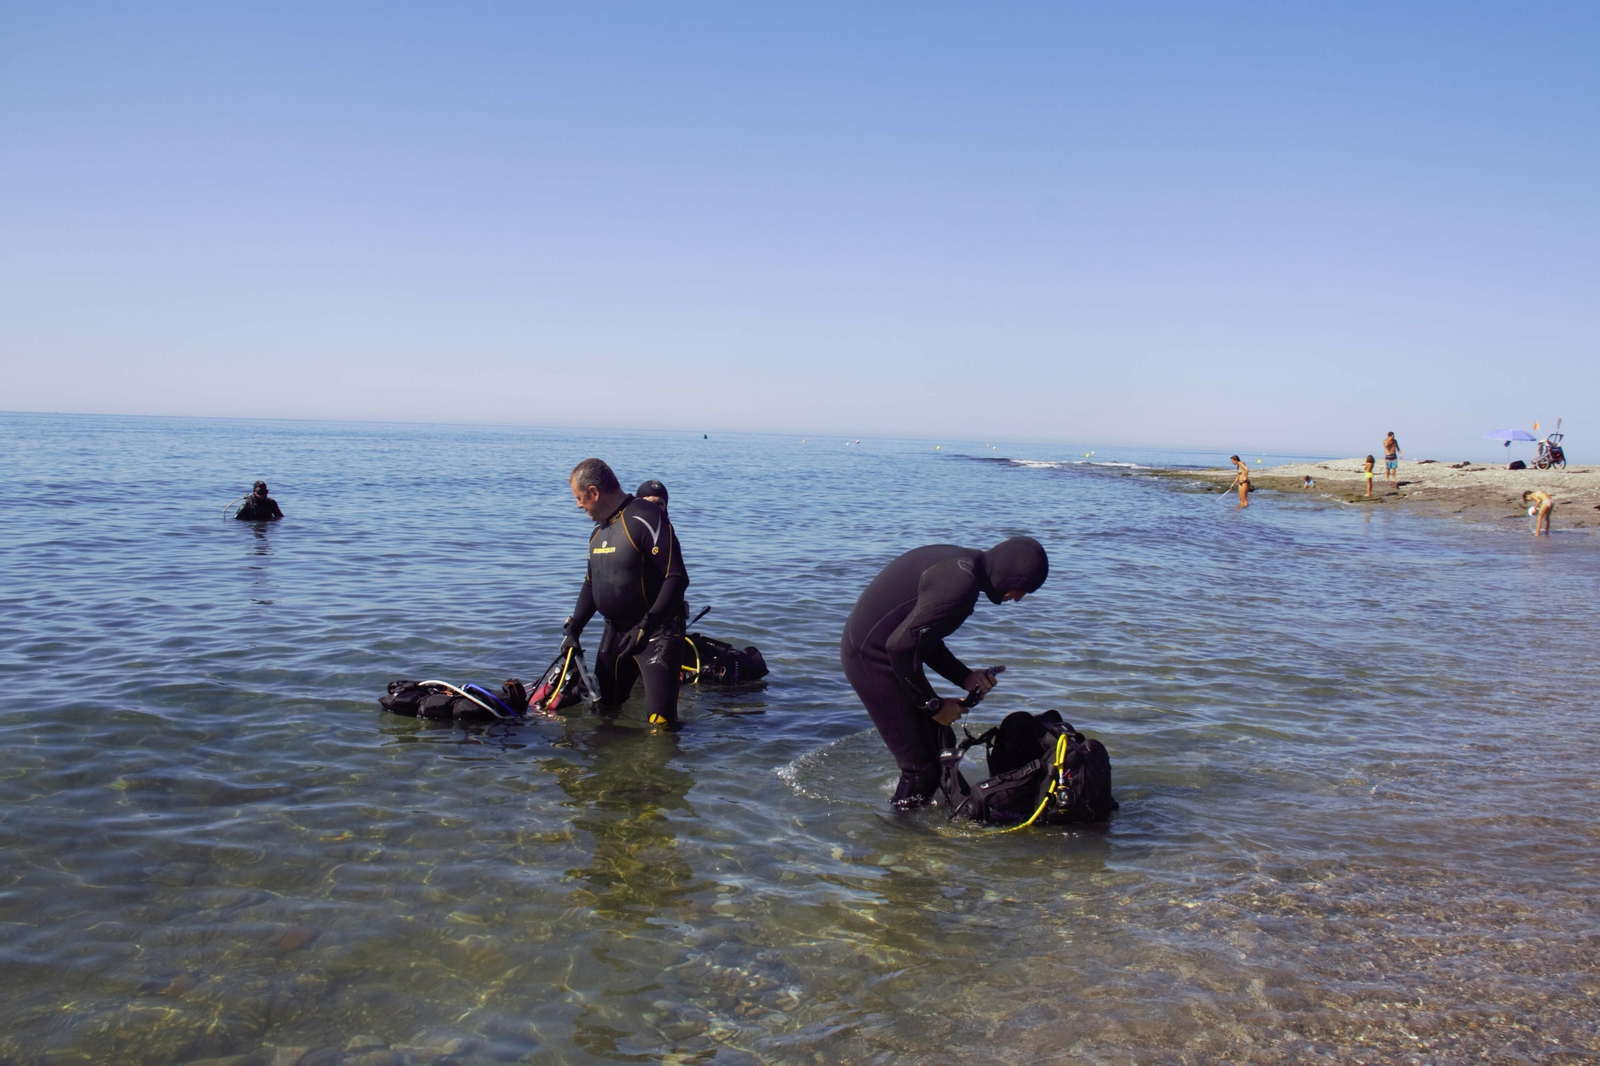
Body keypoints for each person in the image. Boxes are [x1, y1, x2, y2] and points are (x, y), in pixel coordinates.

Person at [840, 538, 1049, 809]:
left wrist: (965, 677)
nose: (1018, 599)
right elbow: (901, 647)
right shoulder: (960, 584)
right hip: (871, 658)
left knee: (939, 749)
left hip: (880, 650)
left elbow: (920, 641)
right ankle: (899, 844)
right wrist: (934, 706)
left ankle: (925, 833)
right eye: (1024, 588)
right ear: (1011, 573)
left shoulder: (963, 567)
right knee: (920, 771)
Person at [561, 459, 689, 726]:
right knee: (603, 712)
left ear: (595, 492)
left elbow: (676, 577)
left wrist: (648, 624)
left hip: (657, 633)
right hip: (615, 633)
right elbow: (590, 585)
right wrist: (574, 629)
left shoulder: (646, 516)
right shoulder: (598, 532)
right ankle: (613, 767)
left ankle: (661, 766)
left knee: (660, 725)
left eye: (580, 498)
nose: (578, 505)